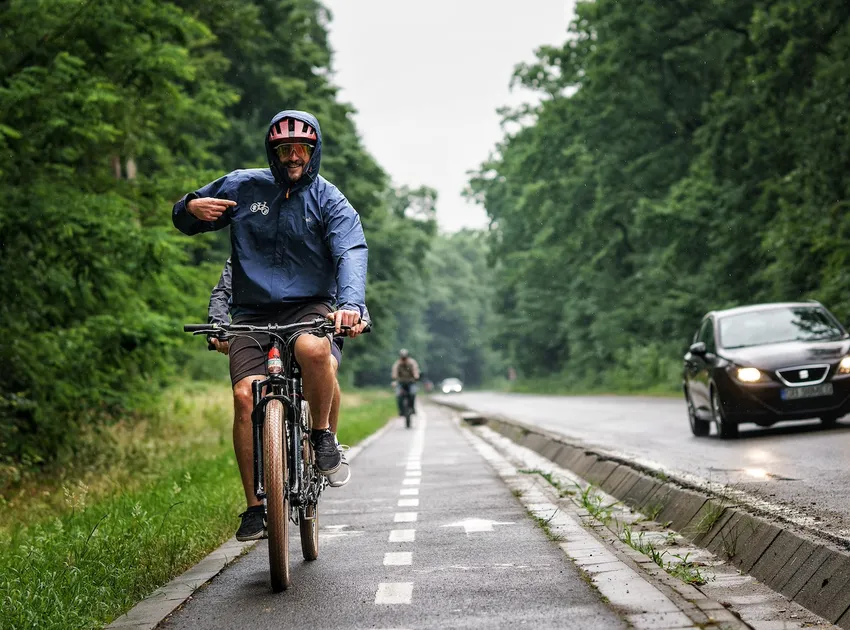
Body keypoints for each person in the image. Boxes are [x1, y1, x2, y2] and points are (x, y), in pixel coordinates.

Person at [173, 110, 368, 542]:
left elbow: (351, 250)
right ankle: (255, 509)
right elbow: (188, 218)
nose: (294, 157)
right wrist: (188, 208)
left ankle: (321, 436)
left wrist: (351, 305)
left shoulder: (329, 199)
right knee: (245, 396)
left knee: (315, 351)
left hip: (309, 307)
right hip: (252, 312)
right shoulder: (245, 186)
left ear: (314, 152)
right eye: (285, 149)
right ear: (273, 152)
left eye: (302, 149)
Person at [207, 257, 370, 490]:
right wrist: (218, 324)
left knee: (326, 365)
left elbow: (351, 279)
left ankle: (326, 438)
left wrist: (357, 316)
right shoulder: (248, 246)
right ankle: (257, 505)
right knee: (247, 394)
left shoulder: (318, 241)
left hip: (318, 320)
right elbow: (223, 290)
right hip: (259, 323)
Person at [391, 349, 420, 415]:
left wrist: (416, 376)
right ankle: (401, 410)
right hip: (401, 382)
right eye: (402, 357)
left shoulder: (412, 362)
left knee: (413, 393)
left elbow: (415, 370)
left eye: (405, 357)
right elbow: (394, 372)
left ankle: (412, 408)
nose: (404, 359)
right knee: (398, 395)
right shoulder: (397, 364)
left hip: (411, 382)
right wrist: (394, 376)